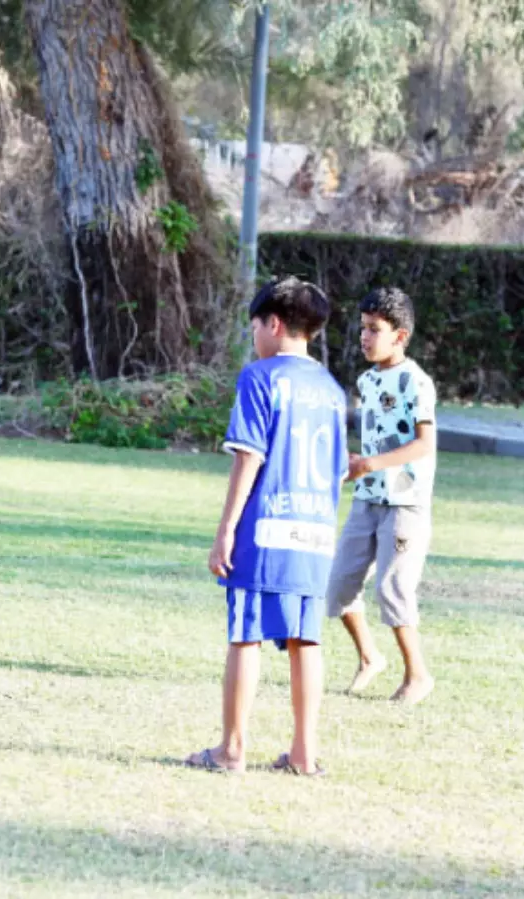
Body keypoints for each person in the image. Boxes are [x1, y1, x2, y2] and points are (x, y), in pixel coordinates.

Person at [186, 277, 347, 775]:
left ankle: (231, 750)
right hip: (315, 531)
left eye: (254, 326)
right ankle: (304, 754)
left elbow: (249, 457)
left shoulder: (260, 378)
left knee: (246, 634)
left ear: (273, 324)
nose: (253, 336)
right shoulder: (332, 390)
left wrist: (226, 529)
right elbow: (339, 470)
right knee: (306, 640)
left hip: (265, 529)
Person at [326, 287, 438, 706]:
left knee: (393, 589)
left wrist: (370, 464)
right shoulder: (367, 381)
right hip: (367, 499)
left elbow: (424, 444)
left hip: (405, 504)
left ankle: (417, 675)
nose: (365, 337)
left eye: (374, 329)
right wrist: (354, 464)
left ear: (400, 336)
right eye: (362, 328)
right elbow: (376, 439)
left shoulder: (416, 382)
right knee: (338, 586)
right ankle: (369, 657)